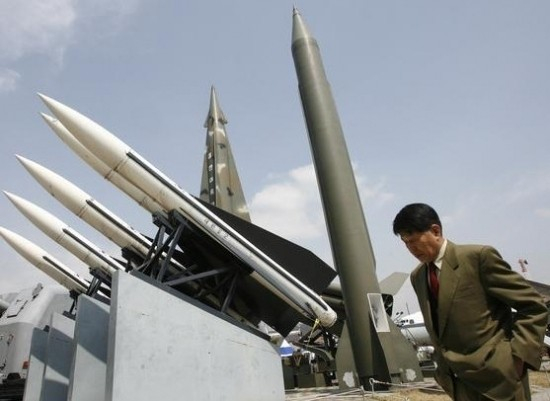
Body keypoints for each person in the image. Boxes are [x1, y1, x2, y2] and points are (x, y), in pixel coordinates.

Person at [392, 203, 548, 401]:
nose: (411, 249)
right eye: (406, 243)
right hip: (458, 385)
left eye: (414, 240)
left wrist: (517, 360)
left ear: (436, 231)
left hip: (500, 382)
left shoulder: (478, 258)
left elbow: (533, 305)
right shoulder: (419, 276)